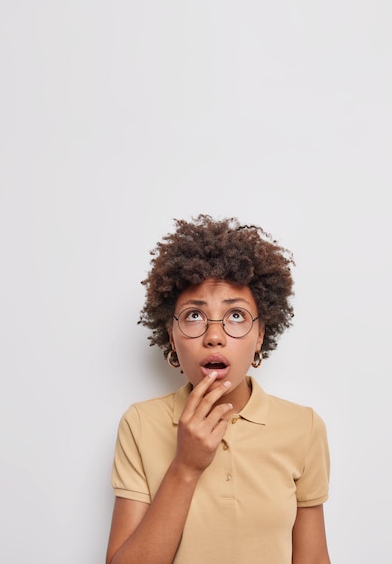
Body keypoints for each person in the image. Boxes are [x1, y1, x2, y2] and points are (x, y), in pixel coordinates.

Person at [105, 215, 331, 564]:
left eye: (236, 315)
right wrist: (185, 466)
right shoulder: (140, 424)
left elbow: (313, 559)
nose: (214, 336)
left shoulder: (304, 427)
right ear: (171, 336)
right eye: (194, 315)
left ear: (260, 336)